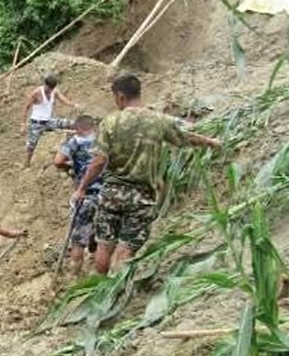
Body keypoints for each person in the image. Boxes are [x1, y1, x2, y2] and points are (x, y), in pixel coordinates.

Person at [73, 74, 221, 275]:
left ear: (120, 96)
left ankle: (100, 285)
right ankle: (117, 287)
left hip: (112, 194)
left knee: (105, 245)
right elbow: (185, 136)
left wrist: (82, 188)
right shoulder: (158, 120)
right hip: (143, 196)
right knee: (126, 250)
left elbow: (99, 161)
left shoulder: (111, 122)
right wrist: (211, 142)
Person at [53, 114, 103, 276]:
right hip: (107, 195)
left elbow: (58, 161)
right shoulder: (102, 141)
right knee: (104, 237)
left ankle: (74, 276)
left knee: (78, 240)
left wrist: (70, 166)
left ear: (78, 128)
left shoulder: (75, 142)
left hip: (85, 195)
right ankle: (99, 274)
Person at [21, 74, 81, 166]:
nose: (50, 91)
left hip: (48, 121)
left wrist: (73, 105)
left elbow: (63, 99)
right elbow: (26, 107)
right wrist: (23, 124)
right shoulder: (36, 93)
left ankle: (77, 146)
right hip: (36, 123)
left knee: (70, 124)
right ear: (45, 84)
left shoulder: (54, 91)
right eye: (49, 88)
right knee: (31, 145)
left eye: (52, 88)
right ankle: (26, 164)